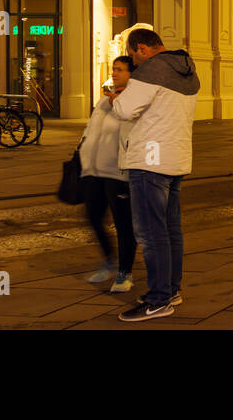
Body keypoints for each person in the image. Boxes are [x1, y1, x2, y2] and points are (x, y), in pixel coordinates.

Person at [112, 29, 200, 322]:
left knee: (151, 234)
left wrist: (117, 98)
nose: (133, 62)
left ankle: (159, 300)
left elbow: (124, 110)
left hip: (149, 161)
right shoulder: (187, 69)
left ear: (142, 49)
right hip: (176, 158)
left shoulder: (150, 69)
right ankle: (171, 289)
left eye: (134, 55)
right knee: (171, 230)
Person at [81, 55, 137, 293]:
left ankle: (125, 272)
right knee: (93, 218)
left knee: (124, 225)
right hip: (93, 171)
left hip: (118, 173)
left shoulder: (133, 102)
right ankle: (109, 261)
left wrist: (119, 103)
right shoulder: (104, 100)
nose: (114, 73)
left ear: (132, 74)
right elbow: (92, 131)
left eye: (120, 70)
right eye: (114, 69)